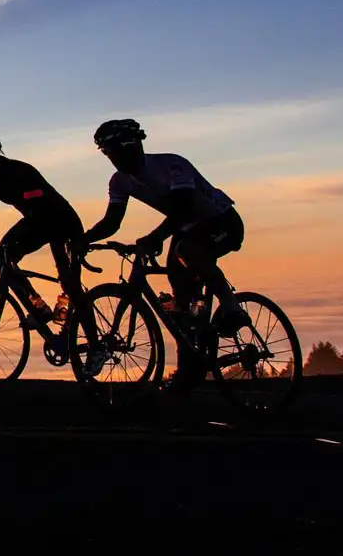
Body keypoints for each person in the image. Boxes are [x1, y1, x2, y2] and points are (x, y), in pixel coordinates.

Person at [81, 118, 248, 376]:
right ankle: (189, 365)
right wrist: (85, 239)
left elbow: (183, 210)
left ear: (133, 146)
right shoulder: (120, 182)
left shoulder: (171, 165)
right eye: (107, 154)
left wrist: (153, 237)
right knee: (181, 303)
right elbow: (112, 221)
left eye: (115, 151)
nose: (113, 158)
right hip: (187, 229)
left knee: (187, 252)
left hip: (222, 221)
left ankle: (231, 306)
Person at [0, 131, 96, 368]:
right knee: (1, 261)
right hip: (36, 221)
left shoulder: (21, 171)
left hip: (61, 220)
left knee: (70, 284)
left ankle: (95, 347)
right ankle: (39, 308)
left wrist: (12, 244)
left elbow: (40, 208)